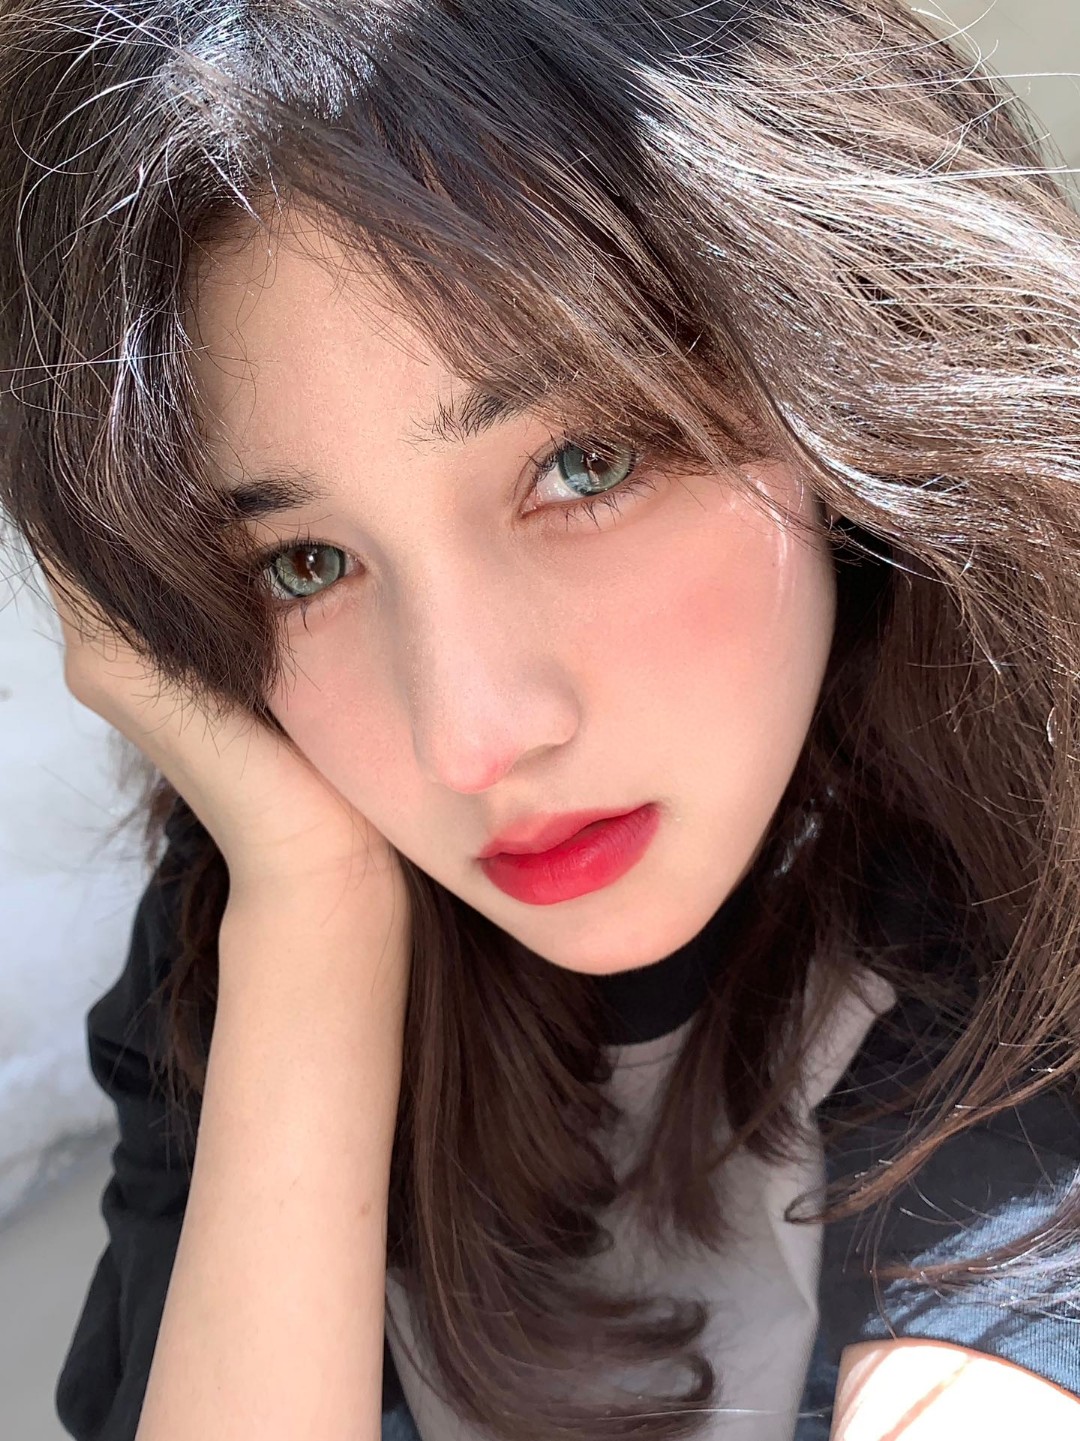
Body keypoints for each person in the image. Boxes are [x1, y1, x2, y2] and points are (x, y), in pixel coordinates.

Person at [2, 0, 1080, 1437]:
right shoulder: (250, 924)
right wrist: (315, 917)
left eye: (584, 464)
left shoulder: (1024, 891)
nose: (472, 737)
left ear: (832, 368)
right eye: (304, 564)